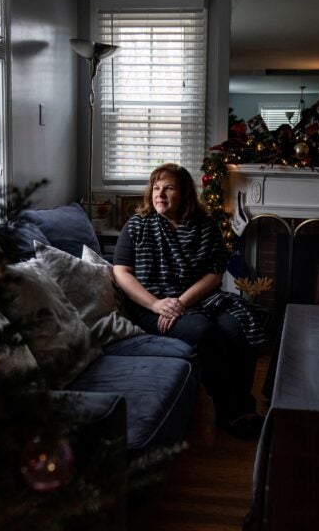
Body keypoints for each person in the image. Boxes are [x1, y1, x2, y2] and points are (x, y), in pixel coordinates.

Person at [113, 163, 266, 439]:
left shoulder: (204, 226)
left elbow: (215, 273)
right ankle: (230, 412)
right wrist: (156, 304)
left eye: (169, 188)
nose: (160, 194)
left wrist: (182, 302)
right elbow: (121, 272)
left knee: (237, 328)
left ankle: (245, 406)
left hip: (198, 299)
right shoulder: (137, 225)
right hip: (153, 305)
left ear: (184, 193)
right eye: (156, 188)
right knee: (205, 332)